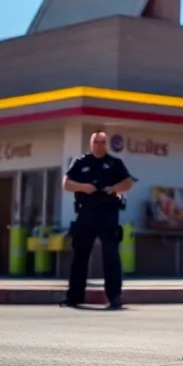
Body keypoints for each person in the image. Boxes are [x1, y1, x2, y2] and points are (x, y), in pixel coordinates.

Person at [60, 131, 133, 309]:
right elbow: (66, 183)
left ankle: (114, 297)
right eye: (96, 142)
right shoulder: (80, 162)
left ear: (106, 144)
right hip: (86, 213)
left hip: (108, 214)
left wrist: (114, 188)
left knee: (111, 256)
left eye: (102, 142)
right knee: (80, 255)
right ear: (90, 144)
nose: (99, 145)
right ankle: (74, 297)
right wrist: (83, 187)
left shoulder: (115, 163)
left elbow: (128, 183)